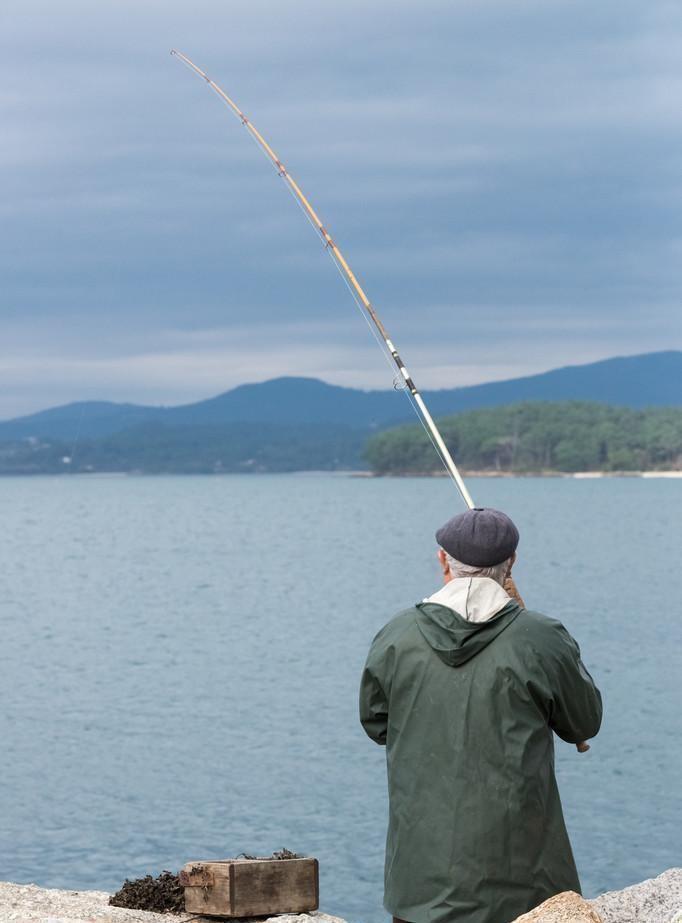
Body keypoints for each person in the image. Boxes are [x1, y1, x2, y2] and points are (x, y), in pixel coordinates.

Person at [359, 507, 602, 923]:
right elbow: (583, 723)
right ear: (511, 564)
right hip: (527, 886)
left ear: (442, 561)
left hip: (419, 885)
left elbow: (377, 724)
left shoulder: (396, 635)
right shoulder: (541, 637)